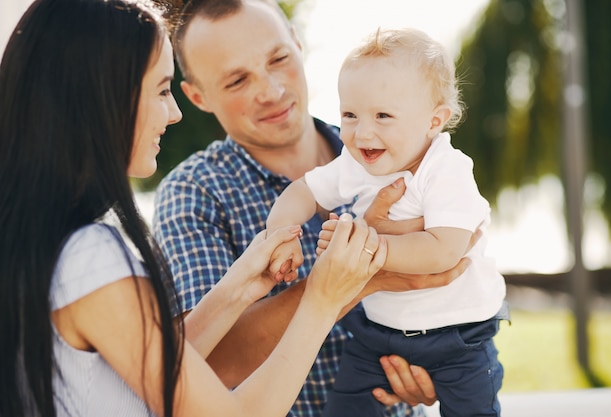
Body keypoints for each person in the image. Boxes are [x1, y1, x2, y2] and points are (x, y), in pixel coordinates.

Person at [0, 0, 391, 416]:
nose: (172, 114)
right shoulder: (90, 257)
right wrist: (325, 297)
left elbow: (156, 375)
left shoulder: (53, 244)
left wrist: (237, 288)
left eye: (278, 58)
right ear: (104, 96)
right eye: (162, 90)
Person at [153, 1, 474, 416]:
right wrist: (364, 275)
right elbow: (212, 365)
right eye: (237, 80)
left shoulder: (404, 150)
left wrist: (437, 366)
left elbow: (455, 273)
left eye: (279, 59)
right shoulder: (194, 193)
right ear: (198, 96)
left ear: (299, 46)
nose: (270, 91)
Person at [265, 27, 508, 417]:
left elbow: (443, 251)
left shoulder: (447, 170)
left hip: (458, 334)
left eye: (383, 115)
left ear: (434, 121)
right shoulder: (357, 162)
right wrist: (282, 235)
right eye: (349, 115)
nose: (363, 132)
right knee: (345, 408)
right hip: (378, 332)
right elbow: (302, 192)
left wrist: (366, 246)